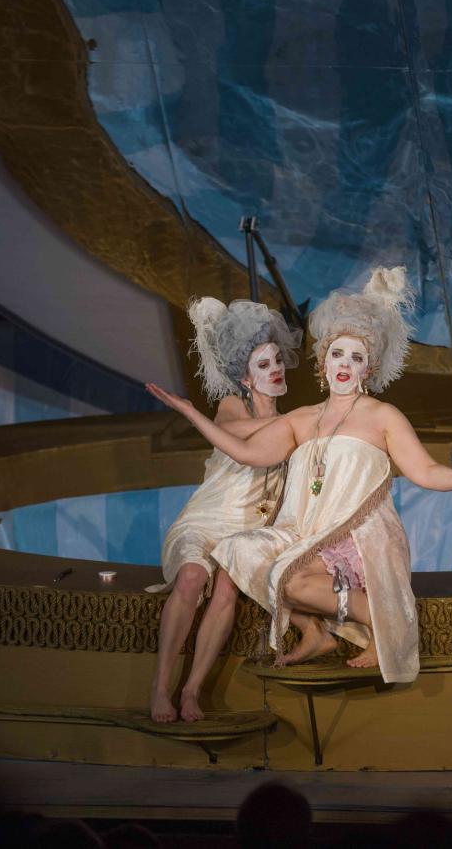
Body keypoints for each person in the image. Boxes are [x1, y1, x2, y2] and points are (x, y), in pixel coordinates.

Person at [146, 267, 452, 684]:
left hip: (356, 534)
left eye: (356, 357)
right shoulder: (304, 419)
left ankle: (381, 625)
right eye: (338, 354)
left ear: (367, 369)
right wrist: (190, 412)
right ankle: (334, 628)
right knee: (239, 553)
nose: (345, 364)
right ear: (324, 360)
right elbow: (243, 451)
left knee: (287, 577)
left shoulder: (383, 416)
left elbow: (424, 470)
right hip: (306, 535)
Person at [147, 298, 300, 723]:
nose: (276, 370)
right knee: (192, 577)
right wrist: (296, 423)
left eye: (277, 361)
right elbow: (230, 431)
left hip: (248, 530)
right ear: (246, 378)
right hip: (206, 519)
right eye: (264, 365)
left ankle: (191, 691)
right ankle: (160, 688)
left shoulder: (293, 424)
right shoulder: (235, 407)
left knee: (229, 584)